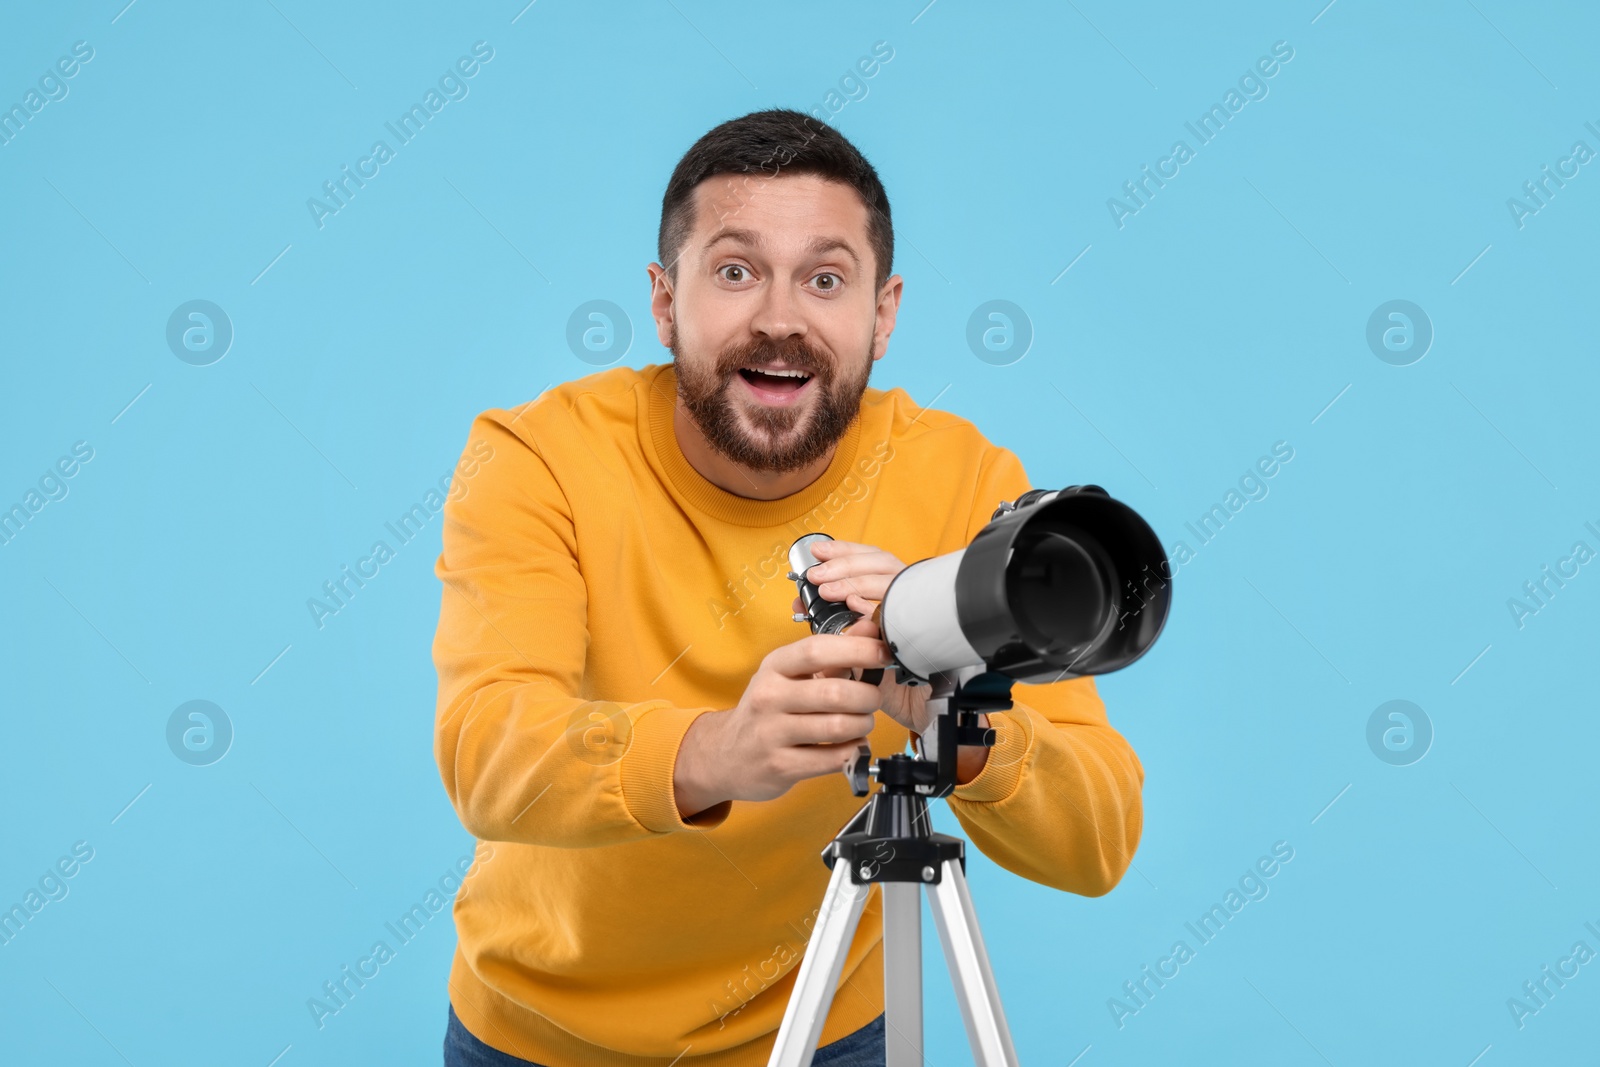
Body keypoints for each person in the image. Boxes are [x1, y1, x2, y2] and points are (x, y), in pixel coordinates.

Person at [432, 108, 1144, 1067]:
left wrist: (950, 718)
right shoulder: (539, 458)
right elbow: (487, 747)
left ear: (882, 314)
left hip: (824, 1030)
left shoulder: (963, 478)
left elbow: (1100, 836)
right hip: (543, 1032)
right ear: (664, 301)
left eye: (825, 278)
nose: (779, 318)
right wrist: (717, 749)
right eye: (734, 271)